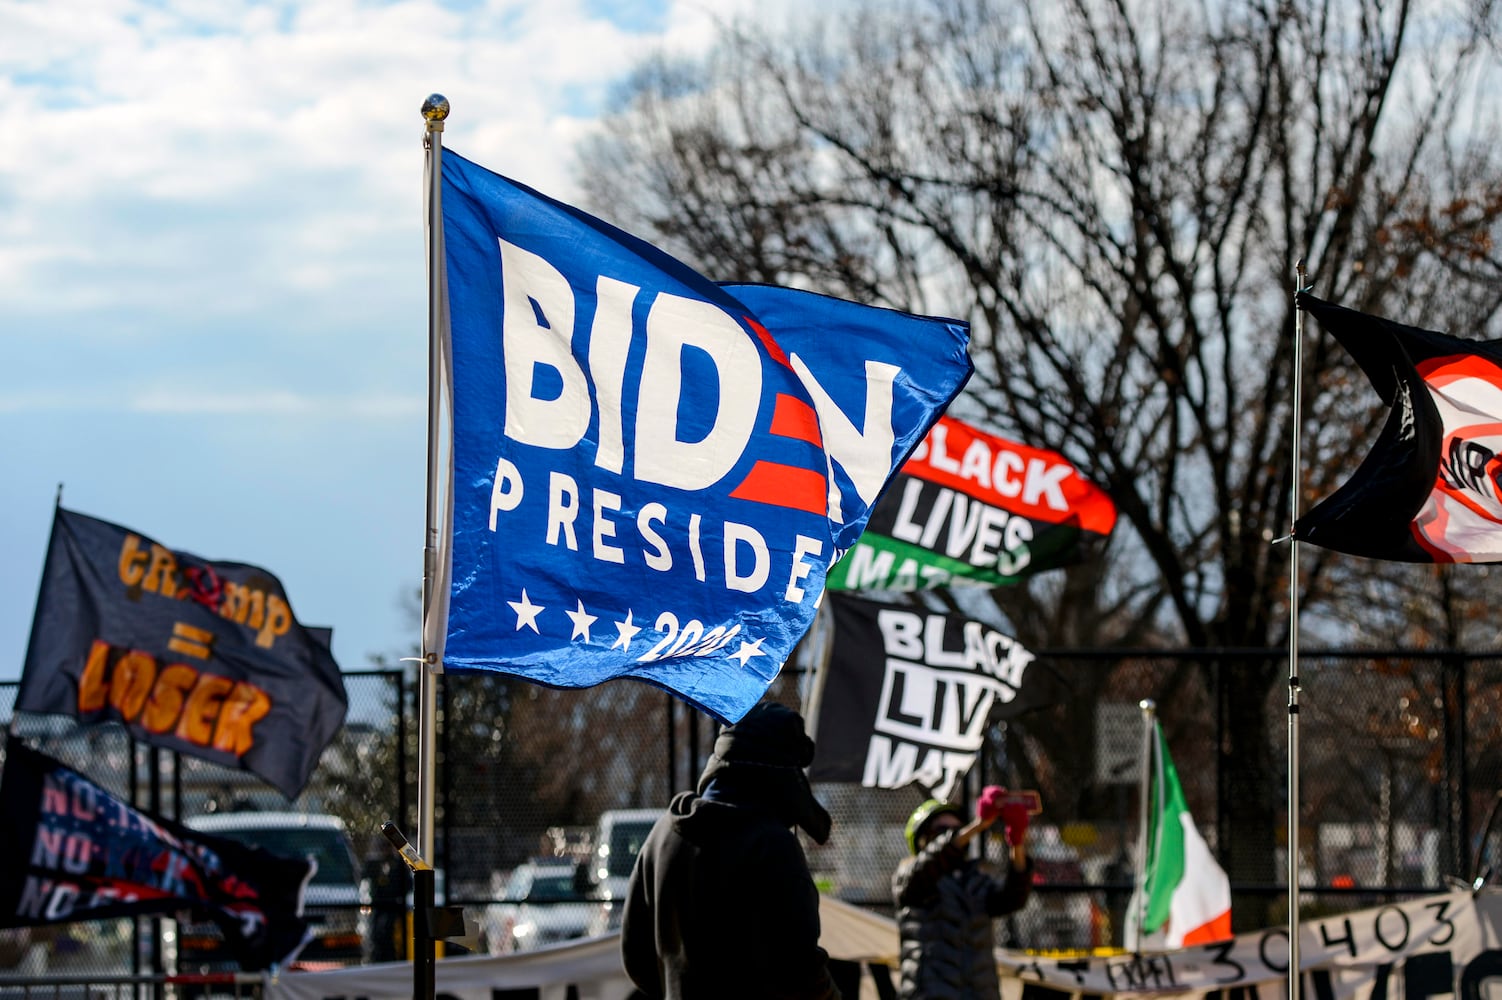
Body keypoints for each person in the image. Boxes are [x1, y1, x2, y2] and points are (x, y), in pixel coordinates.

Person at [621, 701, 842, 1000]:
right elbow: (800, 969)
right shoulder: (772, 846)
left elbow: (637, 958)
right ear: (784, 780)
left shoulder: (662, 837)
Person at [893, 786, 1034, 1000]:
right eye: (942, 831)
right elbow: (930, 863)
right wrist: (978, 825)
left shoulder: (974, 879)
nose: (954, 836)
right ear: (922, 839)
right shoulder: (910, 877)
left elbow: (1013, 898)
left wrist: (1017, 841)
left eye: (957, 829)